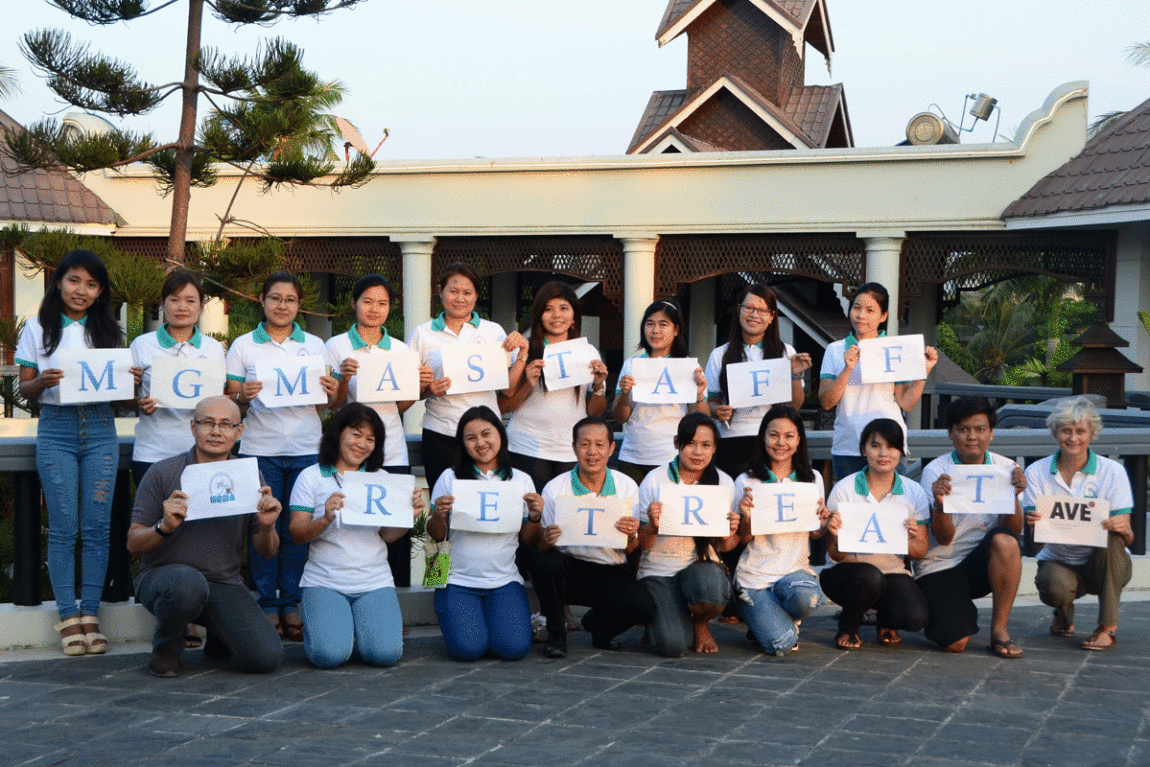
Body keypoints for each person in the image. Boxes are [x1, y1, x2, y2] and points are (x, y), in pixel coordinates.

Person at [127, 396, 284, 678]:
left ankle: (220, 637)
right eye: (207, 423)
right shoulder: (163, 472)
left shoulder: (249, 477)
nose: (216, 432)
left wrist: (268, 526)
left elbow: (267, 551)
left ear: (240, 432)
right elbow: (133, 543)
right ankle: (166, 648)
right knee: (188, 584)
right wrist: (164, 526)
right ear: (192, 427)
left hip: (223, 581)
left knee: (266, 658)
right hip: (164, 579)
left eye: (226, 425)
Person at [16, 249, 123, 656]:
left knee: (97, 526)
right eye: (74, 280)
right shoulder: (36, 327)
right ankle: (68, 615)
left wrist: (129, 382)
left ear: (99, 293)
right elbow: (23, 390)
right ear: (58, 281)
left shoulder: (108, 330)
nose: (82, 290)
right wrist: (42, 381)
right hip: (56, 429)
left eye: (91, 285)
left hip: (100, 429)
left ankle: (90, 614)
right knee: (64, 526)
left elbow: (119, 396)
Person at [225, 271, 338, 642]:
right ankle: (268, 604)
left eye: (290, 299)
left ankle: (293, 602)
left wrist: (334, 390)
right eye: (276, 298)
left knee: (298, 531)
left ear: (299, 305)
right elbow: (230, 398)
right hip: (262, 450)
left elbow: (331, 401)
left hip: (312, 449)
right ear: (262, 299)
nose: (282, 305)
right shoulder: (244, 345)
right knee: (264, 527)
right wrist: (244, 395)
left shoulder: (318, 345)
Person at [130, 269, 227, 650]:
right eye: (174, 300)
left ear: (202, 306)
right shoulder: (141, 345)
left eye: (190, 300)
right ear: (162, 305)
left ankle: (206, 610)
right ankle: (175, 613)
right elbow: (126, 398)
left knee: (202, 533)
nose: (182, 307)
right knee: (163, 532)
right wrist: (139, 402)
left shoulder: (215, 350)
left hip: (203, 455)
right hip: (154, 453)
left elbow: (220, 402)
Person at [288, 403, 424, 669]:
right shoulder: (310, 477)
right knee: (329, 656)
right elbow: (297, 534)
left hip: (374, 580)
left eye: (371, 439)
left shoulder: (382, 478)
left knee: (386, 655)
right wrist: (325, 518)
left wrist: (410, 516)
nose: (362, 444)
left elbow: (387, 535)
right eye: (356, 434)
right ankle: (326, 626)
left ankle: (353, 627)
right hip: (325, 580)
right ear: (338, 434)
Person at [521, 415, 655, 658]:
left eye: (600, 445)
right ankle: (556, 635)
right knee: (546, 563)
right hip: (570, 568)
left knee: (645, 607)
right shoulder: (555, 488)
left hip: (610, 568)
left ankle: (600, 628)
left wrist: (632, 535)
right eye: (584, 444)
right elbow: (539, 547)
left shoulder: (626, 487)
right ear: (574, 448)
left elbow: (630, 549)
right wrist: (546, 540)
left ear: (612, 448)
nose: (592, 452)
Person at [325, 273, 424, 587]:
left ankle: (401, 595)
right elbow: (333, 406)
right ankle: (354, 589)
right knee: (355, 523)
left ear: (390, 308)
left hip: (392, 448)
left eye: (382, 303)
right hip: (353, 452)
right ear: (354, 303)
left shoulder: (400, 349)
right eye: (367, 301)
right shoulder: (335, 345)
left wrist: (423, 388)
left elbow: (400, 404)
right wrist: (342, 378)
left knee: (402, 524)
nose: (374, 309)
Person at [428, 406, 542, 661]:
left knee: (514, 650)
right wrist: (438, 516)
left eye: (486, 434)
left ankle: (489, 621)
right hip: (456, 579)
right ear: (462, 444)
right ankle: (468, 620)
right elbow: (434, 537)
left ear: (500, 434)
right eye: (471, 438)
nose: (480, 443)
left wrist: (535, 516)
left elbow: (528, 539)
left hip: (504, 580)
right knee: (467, 650)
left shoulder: (520, 479)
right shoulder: (450, 477)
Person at [1023, 396, 1134, 652]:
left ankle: (1107, 628)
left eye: (1081, 431)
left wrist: (1123, 528)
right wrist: (1034, 526)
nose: (1073, 438)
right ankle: (1063, 612)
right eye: (1066, 431)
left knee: (1113, 538)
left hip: (1103, 562)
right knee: (1053, 586)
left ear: (1092, 434)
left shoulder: (1112, 472)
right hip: (1059, 558)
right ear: (1055, 433)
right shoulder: (1036, 472)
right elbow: (1037, 544)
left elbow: (1128, 537)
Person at [918, 397, 1026, 658]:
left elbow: (1015, 530)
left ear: (991, 434)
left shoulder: (1006, 468)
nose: (971, 437)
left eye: (980, 429)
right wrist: (940, 504)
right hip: (941, 562)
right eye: (963, 429)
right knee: (955, 643)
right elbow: (943, 539)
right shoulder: (936, 471)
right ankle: (958, 612)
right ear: (950, 434)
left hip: (981, 561)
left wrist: (1013, 497)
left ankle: (999, 630)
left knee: (1006, 542)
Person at [406, 262, 528, 492]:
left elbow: (509, 390)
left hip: (485, 435)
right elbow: (410, 391)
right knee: (445, 502)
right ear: (440, 292)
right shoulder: (422, 333)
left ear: (476, 296)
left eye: (467, 292)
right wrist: (430, 388)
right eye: (453, 291)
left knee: (486, 497)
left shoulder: (494, 332)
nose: (459, 298)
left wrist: (523, 354)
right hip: (441, 432)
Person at [733, 405, 835, 656]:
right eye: (773, 435)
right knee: (782, 644)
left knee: (809, 599)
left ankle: (768, 617)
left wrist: (823, 524)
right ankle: (758, 613)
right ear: (763, 437)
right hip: (755, 576)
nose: (781, 442)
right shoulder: (747, 480)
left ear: (799, 440)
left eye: (789, 436)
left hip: (793, 573)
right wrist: (745, 517)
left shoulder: (811, 478)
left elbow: (814, 533)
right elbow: (742, 539)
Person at [820, 418, 930, 649]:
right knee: (870, 577)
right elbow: (834, 555)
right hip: (847, 573)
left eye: (891, 446)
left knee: (915, 617)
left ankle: (886, 620)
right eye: (875, 445)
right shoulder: (844, 489)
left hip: (892, 571)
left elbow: (920, 551)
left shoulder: (914, 492)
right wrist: (837, 536)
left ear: (901, 451)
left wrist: (908, 538)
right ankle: (848, 627)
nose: (884, 453)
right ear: (863, 450)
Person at [635, 413, 739, 656]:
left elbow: (727, 546)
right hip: (659, 570)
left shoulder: (723, 481)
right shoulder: (655, 480)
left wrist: (729, 533)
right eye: (690, 443)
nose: (697, 452)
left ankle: (699, 623)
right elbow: (641, 544)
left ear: (714, 448)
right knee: (672, 646)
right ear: (676, 443)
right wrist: (652, 524)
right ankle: (665, 616)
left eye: (706, 445)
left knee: (713, 590)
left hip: (700, 567)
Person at [818, 282, 938, 480]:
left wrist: (923, 371)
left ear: (883, 316)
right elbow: (827, 401)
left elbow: (906, 402)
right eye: (856, 308)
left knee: (891, 507)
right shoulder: (835, 350)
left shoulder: (894, 348)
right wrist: (847, 368)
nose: (861, 315)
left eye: (870, 310)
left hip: (888, 446)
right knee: (851, 509)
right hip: (849, 446)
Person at [501, 281, 609, 491]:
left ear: (574, 317)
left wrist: (598, 385)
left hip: (570, 450)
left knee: (564, 518)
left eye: (563, 308)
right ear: (539, 314)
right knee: (531, 515)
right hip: (526, 447)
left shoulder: (587, 352)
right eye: (548, 309)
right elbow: (504, 405)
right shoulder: (524, 350)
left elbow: (594, 412)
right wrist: (528, 384)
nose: (556, 315)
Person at [705, 284, 810, 478]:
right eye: (748, 308)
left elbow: (794, 406)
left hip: (772, 441)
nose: (754, 315)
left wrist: (795, 375)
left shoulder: (786, 353)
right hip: (732, 439)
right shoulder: (719, 354)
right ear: (739, 310)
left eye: (762, 310)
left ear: (771, 316)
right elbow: (711, 402)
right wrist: (718, 411)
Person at [613, 300, 708, 485]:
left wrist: (698, 394)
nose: (655, 330)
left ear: (676, 330)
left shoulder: (688, 366)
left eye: (663, 324)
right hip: (634, 455)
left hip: (672, 455)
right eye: (650, 324)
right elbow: (620, 417)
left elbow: (701, 418)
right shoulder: (631, 364)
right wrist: (624, 393)